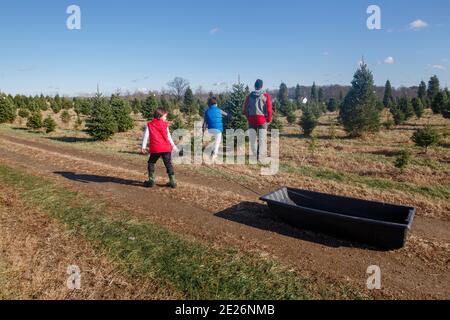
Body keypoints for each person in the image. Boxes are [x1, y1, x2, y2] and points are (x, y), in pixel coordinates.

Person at [141, 108, 179, 188]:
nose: (166, 118)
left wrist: (143, 147)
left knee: (151, 162)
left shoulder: (150, 124)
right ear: (159, 116)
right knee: (168, 163)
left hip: (156, 148)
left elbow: (145, 136)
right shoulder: (165, 125)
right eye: (165, 117)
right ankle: (173, 181)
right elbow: (169, 137)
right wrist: (174, 147)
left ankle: (151, 180)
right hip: (166, 148)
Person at [243, 79, 272, 160]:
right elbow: (269, 109)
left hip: (252, 119)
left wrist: (248, 117)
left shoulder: (249, 96)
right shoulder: (266, 96)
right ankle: (260, 156)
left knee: (253, 138)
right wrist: (268, 119)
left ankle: (254, 155)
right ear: (261, 86)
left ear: (255, 86)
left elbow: (245, 109)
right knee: (262, 138)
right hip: (262, 120)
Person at [203, 96, 228, 162]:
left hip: (210, 129)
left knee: (213, 140)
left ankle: (211, 150)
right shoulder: (219, 110)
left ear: (209, 104)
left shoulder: (207, 111)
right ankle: (214, 155)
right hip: (218, 129)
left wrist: (203, 130)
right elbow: (226, 115)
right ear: (216, 104)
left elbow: (205, 122)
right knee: (217, 142)